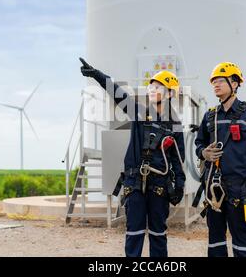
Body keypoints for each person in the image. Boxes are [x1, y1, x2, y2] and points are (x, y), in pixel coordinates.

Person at [79, 58, 185, 257]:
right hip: (135, 183)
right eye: (151, 86)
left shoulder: (176, 126)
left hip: (160, 187)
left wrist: (179, 186)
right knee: (134, 233)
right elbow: (118, 94)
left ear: (170, 93)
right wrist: (97, 74)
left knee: (158, 235)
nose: (152, 90)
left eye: (158, 87)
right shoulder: (139, 113)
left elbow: (179, 161)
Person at [193, 62, 246, 257]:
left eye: (220, 81)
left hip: (239, 187)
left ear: (234, 84)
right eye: (214, 82)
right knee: (215, 239)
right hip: (213, 188)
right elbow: (199, 143)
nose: (215, 85)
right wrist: (203, 153)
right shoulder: (210, 116)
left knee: (241, 238)